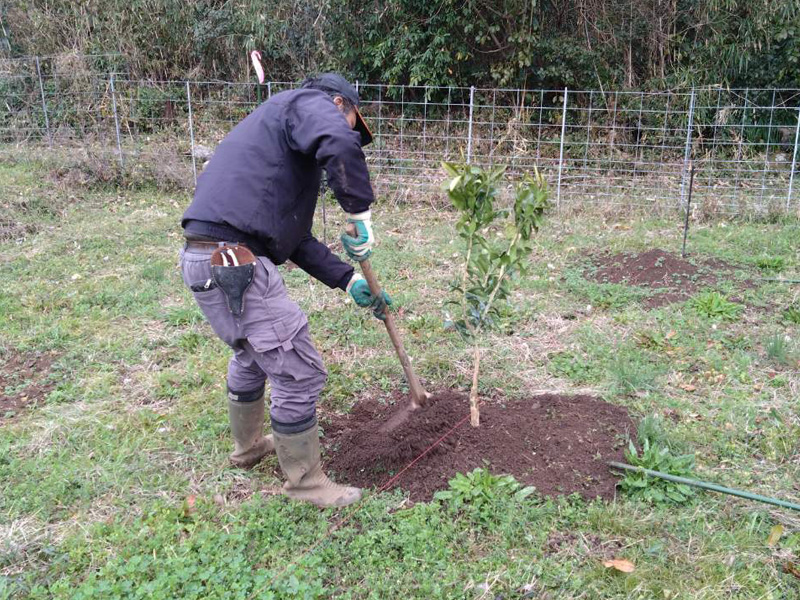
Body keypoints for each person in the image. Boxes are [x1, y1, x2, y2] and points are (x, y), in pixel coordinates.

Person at [178, 73, 389, 508]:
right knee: (299, 370)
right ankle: (306, 484)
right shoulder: (305, 104)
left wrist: (349, 280)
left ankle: (249, 447)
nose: (350, 132)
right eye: (352, 121)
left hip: (203, 257)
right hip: (236, 258)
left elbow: (296, 240)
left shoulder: (274, 143)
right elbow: (336, 137)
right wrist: (360, 212)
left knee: (252, 353)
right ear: (337, 103)